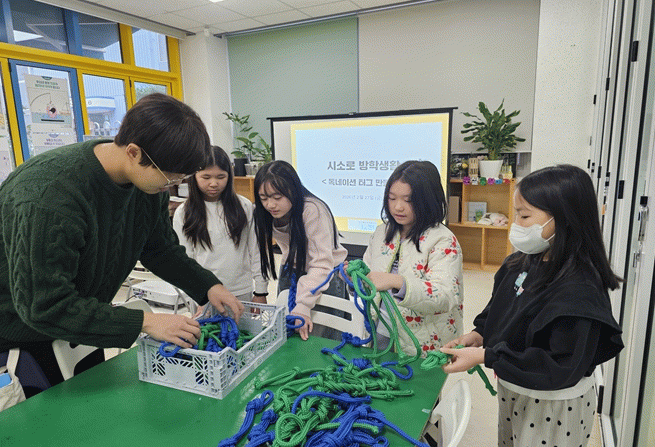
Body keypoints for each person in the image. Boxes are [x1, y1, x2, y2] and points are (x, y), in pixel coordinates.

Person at [0, 93, 244, 389]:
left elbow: (160, 250)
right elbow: (44, 306)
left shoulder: (145, 184)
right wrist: (145, 321)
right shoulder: (49, 197)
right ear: (133, 152)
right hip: (18, 338)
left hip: (81, 321)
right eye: (169, 177)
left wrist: (208, 286)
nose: (173, 185)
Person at [442, 164, 623, 446]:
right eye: (516, 214)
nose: (515, 224)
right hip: (514, 388)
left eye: (524, 216)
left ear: (564, 219)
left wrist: (486, 357)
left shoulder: (580, 288)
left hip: (553, 404)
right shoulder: (518, 264)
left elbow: (559, 366)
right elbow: (499, 310)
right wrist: (478, 335)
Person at [354, 160, 464, 357]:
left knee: (415, 378)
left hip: (423, 344)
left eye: (408, 200)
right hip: (381, 331)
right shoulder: (381, 233)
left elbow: (446, 295)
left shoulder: (443, 240)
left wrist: (398, 282)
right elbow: (370, 279)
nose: (398, 207)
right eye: (392, 198)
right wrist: (357, 278)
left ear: (428, 200)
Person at [253, 160, 348, 340]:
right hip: (292, 269)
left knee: (321, 339)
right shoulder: (263, 213)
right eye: (264, 198)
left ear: (293, 190)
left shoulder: (312, 210)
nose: (270, 205)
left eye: (277, 197)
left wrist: (304, 305)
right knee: (287, 335)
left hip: (323, 275)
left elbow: (321, 264)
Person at [173, 145, 268, 306]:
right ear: (194, 176)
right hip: (204, 293)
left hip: (240, 290)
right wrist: (195, 295)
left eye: (221, 177)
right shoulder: (184, 212)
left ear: (229, 176)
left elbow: (256, 250)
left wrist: (261, 291)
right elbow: (185, 259)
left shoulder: (244, 206)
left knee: (242, 324)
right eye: (206, 177)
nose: (213, 183)